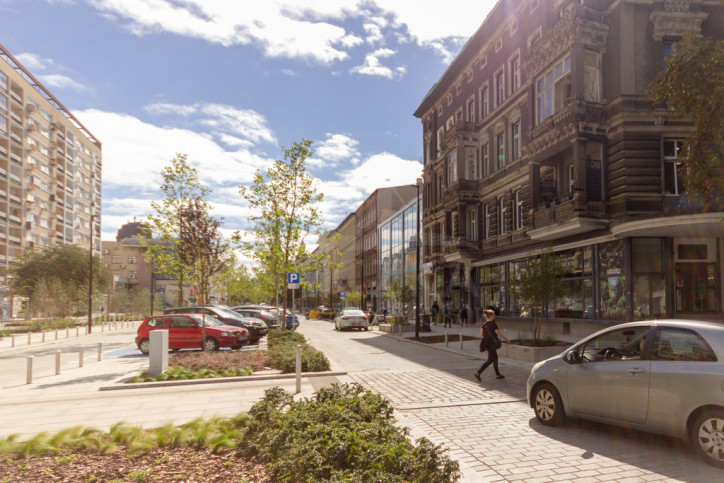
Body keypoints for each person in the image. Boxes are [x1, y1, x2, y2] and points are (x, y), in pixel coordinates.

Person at [474, 309, 511, 381]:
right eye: (493, 315)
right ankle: (478, 372)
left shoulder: (484, 325)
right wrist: (506, 339)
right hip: (492, 344)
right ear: (490, 316)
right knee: (490, 360)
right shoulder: (494, 324)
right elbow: (498, 334)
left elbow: (481, 335)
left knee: (495, 358)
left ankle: (497, 374)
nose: (494, 316)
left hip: (487, 344)